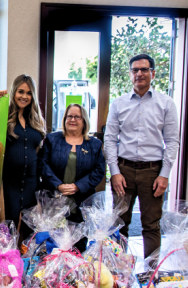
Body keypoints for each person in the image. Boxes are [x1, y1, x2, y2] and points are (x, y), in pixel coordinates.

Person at [104, 53, 179, 258]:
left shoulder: (166, 104)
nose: (139, 74)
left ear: (152, 73)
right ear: (130, 74)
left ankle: (150, 276)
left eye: (144, 70)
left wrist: (164, 175)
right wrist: (115, 173)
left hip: (153, 172)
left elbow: (172, 141)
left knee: (151, 225)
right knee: (119, 224)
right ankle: (118, 274)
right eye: (135, 70)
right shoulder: (118, 104)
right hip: (124, 170)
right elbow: (110, 140)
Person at [40, 103, 105, 250]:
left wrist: (77, 186)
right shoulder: (52, 140)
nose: (73, 120)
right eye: (69, 116)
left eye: (77, 117)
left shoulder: (94, 144)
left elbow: (99, 170)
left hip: (82, 203)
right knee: (54, 245)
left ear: (84, 121)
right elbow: (42, 164)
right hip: (55, 202)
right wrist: (58, 185)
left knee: (79, 246)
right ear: (64, 119)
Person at [0, 75, 46, 236]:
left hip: (31, 184)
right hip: (9, 184)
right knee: (7, 228)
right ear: (13, 92)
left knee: (29, 230)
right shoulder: (3, 116)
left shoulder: (36, 121)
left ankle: (27, 260)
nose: (24, 96)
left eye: (29, 93)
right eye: (20, 91)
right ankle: (8, 260)